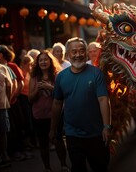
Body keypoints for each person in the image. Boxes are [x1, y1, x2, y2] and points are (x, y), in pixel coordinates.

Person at [50, 37, 111, 172]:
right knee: (78, 168)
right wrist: (53, 129)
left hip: (96, 133)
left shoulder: (96, 73)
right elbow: (57, 103)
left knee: (101, 167)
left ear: (86, 53)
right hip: (73, 134)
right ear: (68, 55)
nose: (78, 55)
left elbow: (103, 100)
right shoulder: (61, 77)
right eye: (74, 52)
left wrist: (106, 126)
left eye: (81, 51)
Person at [29, 50, 68, 172]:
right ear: (37, 63)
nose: (43, 62)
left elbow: (63, 93)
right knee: (43, 143)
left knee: (58, 139)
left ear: (51, 61)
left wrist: (50, 87)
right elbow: (30, 98)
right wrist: (37, 90)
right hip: (39, 115)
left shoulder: (57, 75)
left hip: (55, 115)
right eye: (40, 60)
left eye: (46, 59)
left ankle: (63, 165)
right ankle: (47, 167)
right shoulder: (34, 77)